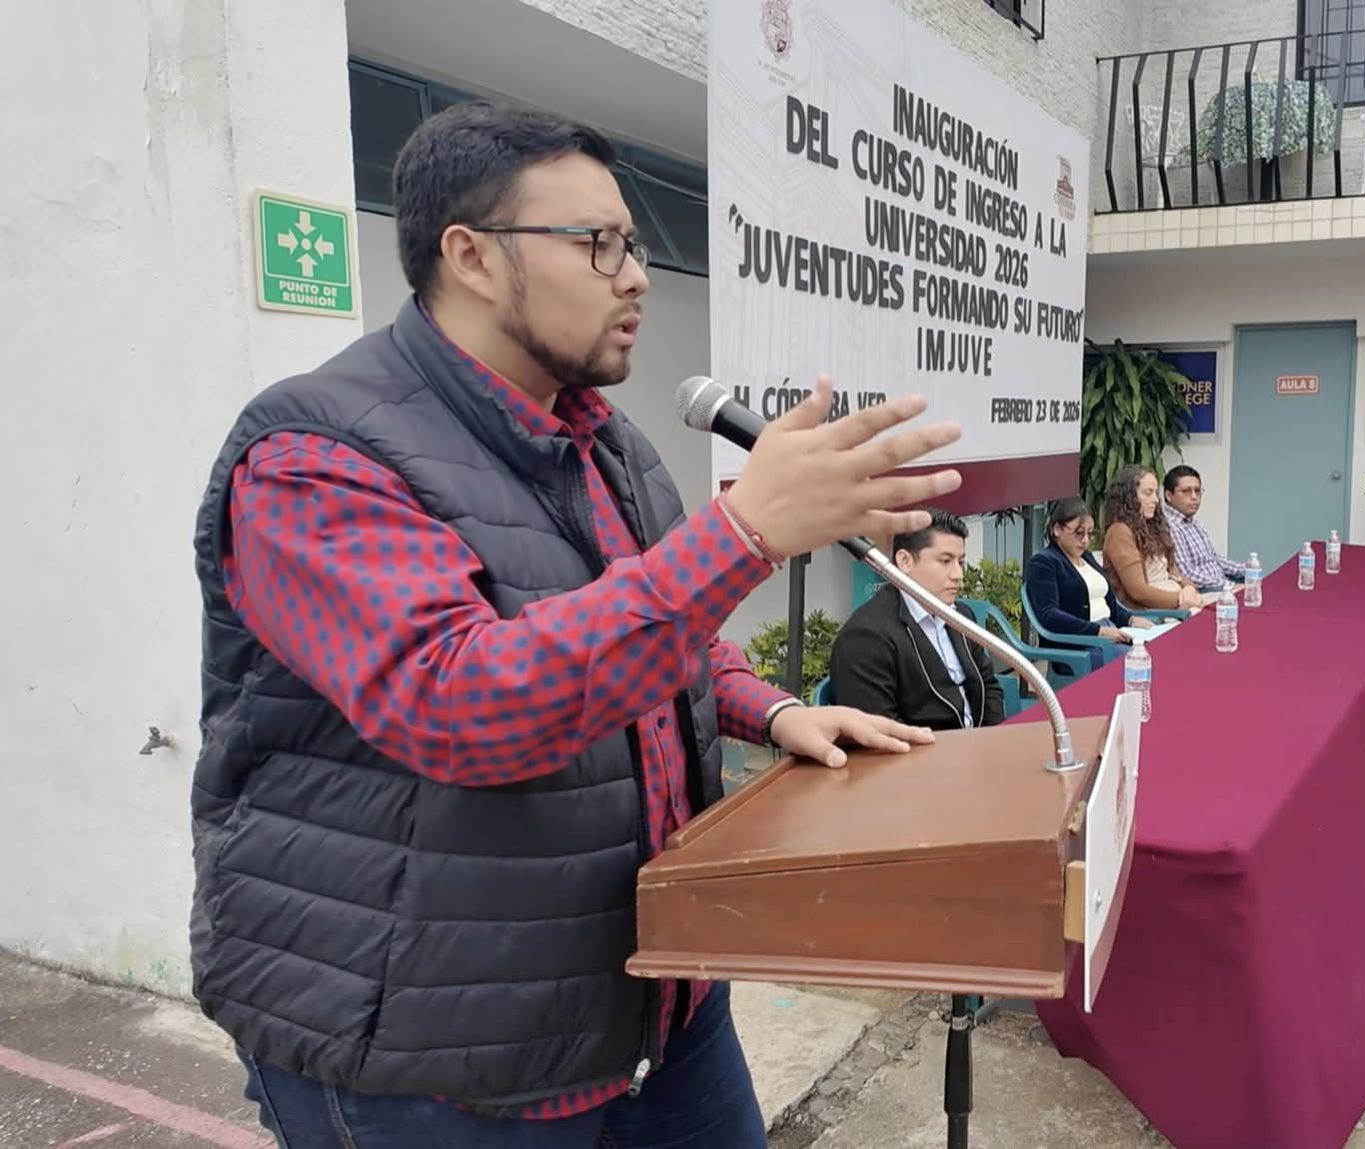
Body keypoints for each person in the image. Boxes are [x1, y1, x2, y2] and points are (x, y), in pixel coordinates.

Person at [189, 102, 963, 1147]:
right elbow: (459, 703)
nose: (636, 276)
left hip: (654, 1004)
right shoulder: (314, 458)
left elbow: (662, 633)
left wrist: (774, 711)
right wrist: (742, 532)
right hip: (439, 1052)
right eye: (598, 245)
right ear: (469, 255)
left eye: (634, 245)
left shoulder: (605, 440)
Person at [829, 509, 1005, 731]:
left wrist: (994, 738)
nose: (958, 574)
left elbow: (988, 685)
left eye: (961, 562)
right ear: (904, 561)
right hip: (924, 757)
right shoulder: (866, 638)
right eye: (945, 561)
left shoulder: (960, 616)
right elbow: (881, 731)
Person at [1025, 497, 1152, 670]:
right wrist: (1098, 631)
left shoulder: (1087, 558)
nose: (1085, 540)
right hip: (1081, 644)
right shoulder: (1044, 562)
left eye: (1090, 533)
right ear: (1057, 529)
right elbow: (1049, 615)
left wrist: (1131, 619)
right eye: (1079, 533)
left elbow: (1110, 605)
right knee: (1143, 662)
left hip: (1110, 631)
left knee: (1158, 650)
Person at [1100, 466, 1205, 612]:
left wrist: (1189, 589)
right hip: (1154, 613)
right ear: (1130, 496)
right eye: (1148, 493)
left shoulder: (1153, 527)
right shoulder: (1119, 532)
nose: (1155, 500)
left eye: (1156, 493)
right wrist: (1180, 598)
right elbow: (1138, 591)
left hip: (1178, 603)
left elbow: (1172, 571)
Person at [1160, 465, 1246, 593]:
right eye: (1186, 491)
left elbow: (1215, 559)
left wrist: (1245, 570)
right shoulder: (1170, 526)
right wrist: (1228, 587)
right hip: (1205, 591)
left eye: (1197, 490)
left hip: (1221, 586)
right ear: (1168, 495)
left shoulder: (1192, 523)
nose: (1194, 497)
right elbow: (1186, 573)